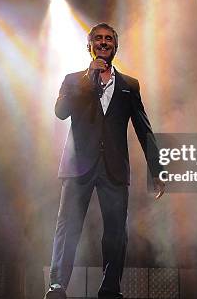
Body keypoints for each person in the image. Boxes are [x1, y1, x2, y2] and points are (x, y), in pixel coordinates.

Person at [45, 23, 165, 299]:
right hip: (79, 165)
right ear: (89, 46)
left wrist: (157, 169)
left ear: (115, 46)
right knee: (68, 227)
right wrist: (89, 78)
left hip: (114, 167)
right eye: (98, 38)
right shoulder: (74, 80)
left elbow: (143, 127)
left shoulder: (129, 86)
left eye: (109, 39)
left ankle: (110, 288)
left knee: (116, 232)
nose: (103, 42)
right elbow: (61, 112)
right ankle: (57, 285)